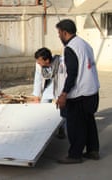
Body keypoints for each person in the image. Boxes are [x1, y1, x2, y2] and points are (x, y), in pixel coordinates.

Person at [55, 19, 100, 164]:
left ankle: (75, 155)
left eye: (59, 33)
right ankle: (93, 150)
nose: (59, 36)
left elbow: (72, 73)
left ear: (64, 32)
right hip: (92, 91)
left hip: (79, 93)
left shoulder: (70, 48)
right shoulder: (85, 44)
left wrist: (63, 94)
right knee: (89, 122)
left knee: (76, 126)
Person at [32, 47, 66, 139]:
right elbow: (38, 79)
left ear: (47, 60)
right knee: (43, 106)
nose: (38, 63)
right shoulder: (39, 65)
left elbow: (65, 78)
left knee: (60, 109)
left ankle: (61, 129)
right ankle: (43, 128)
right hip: (49, 87)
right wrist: (36, 95)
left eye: (39, 61)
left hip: (60, 86)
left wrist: (62, 95)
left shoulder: (61, 63)